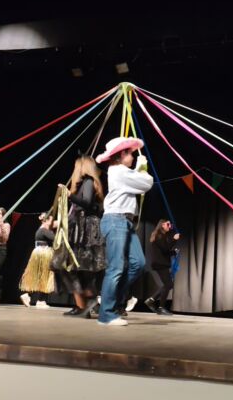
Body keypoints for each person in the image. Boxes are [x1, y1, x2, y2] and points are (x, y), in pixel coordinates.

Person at [95, 137, 153, 326]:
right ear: (121, 155)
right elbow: (146, 183)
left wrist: (138, 170)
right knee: (116, 268)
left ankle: (112, 300)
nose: (133, 156)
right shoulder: (118, 171)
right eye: (129, 153)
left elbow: (136, 182)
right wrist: (142, 170)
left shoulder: (122, 172)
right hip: (116, 220)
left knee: (138, 263)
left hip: (124, 222)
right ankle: (106, 314)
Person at [54, 155, 106, 318]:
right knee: (76, 267)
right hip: (82, 228)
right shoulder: (87, 183)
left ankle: (86, 302)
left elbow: (87, 202)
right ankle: (83, 304)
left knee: (72, 266)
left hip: (85, 230)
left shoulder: (88, 182)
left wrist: (69, 195)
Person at [19, 213, 56, 309]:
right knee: (45, 276)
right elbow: (55, 238)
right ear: (46, 220)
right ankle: (40, 301)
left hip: (39, 252)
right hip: (43, 253)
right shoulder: (44, 230)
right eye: (51, 221)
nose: (52, 223)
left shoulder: (41, 229)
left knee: (39, 277)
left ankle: (27, 295)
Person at [144, 219, 179, 315]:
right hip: (160, 263)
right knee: (168, 284)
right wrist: (174, 239)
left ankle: (151, 300)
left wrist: (173, 252)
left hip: (161, 263)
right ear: (162, 225)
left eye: (170, 224)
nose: (170, 226)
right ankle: (160, 307)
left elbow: (165, 251)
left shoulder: (162, 235)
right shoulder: (159, 235)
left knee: (168, 284)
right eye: (168, 224)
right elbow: (165, 249)